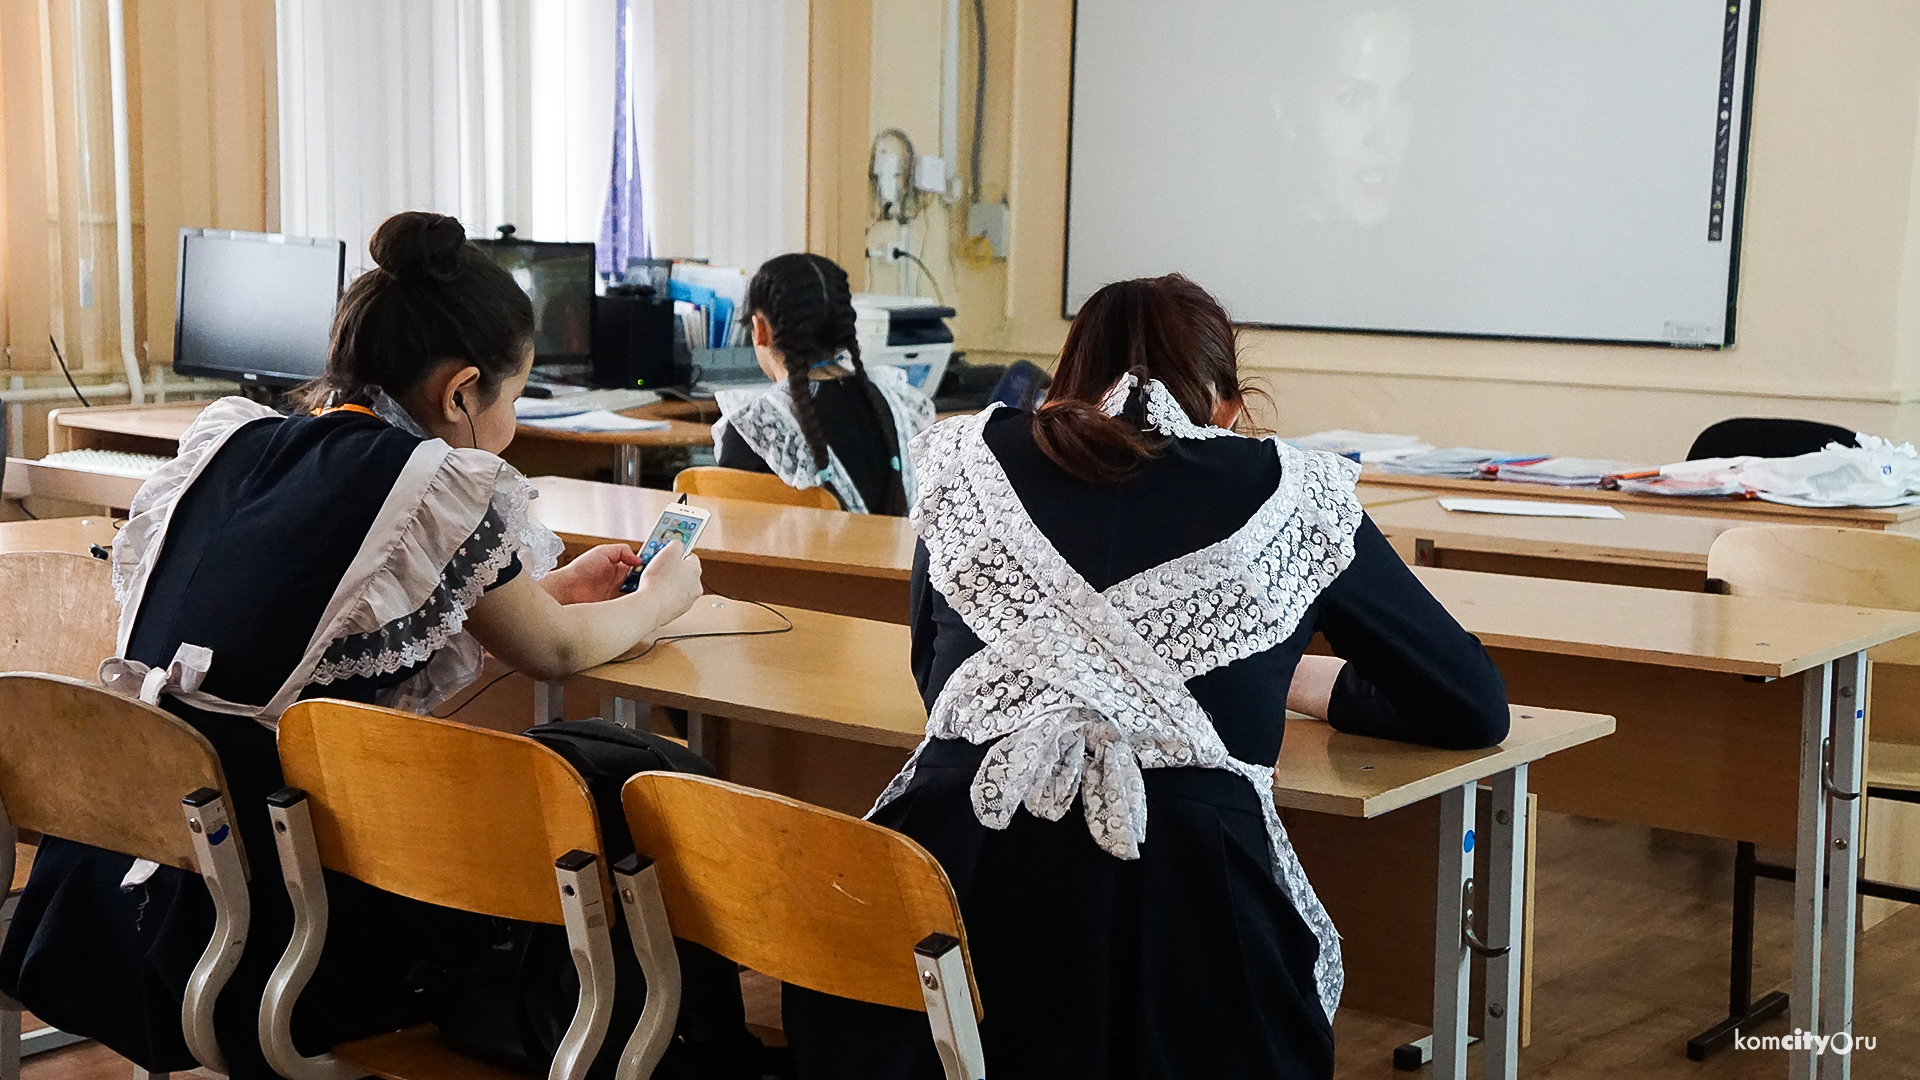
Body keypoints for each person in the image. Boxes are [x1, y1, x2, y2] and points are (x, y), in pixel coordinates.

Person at [0, 212, 760, 1080]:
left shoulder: (243, 441)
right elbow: (552, 656)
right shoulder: (429, 479)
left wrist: (547, 595)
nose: (510, 419)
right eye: (511, 396)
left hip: (108, 905)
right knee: (613, 782)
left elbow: (324, 627)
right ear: (463, 391)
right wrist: (661, 598)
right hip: (277, 934)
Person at [782, 274, 1510, 1079]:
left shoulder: (963, 463)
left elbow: (936, 679)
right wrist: (1296, 681)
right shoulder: (1294, 493)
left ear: (1062, 387)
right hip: (1187, 927)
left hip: (956, 894)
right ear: (1229, 406)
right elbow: (1471, 704)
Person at [713, 253, 934, 515]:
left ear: (761, 329)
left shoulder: (755, 429)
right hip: (900, 557)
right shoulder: (904, 405)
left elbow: (730, 534)